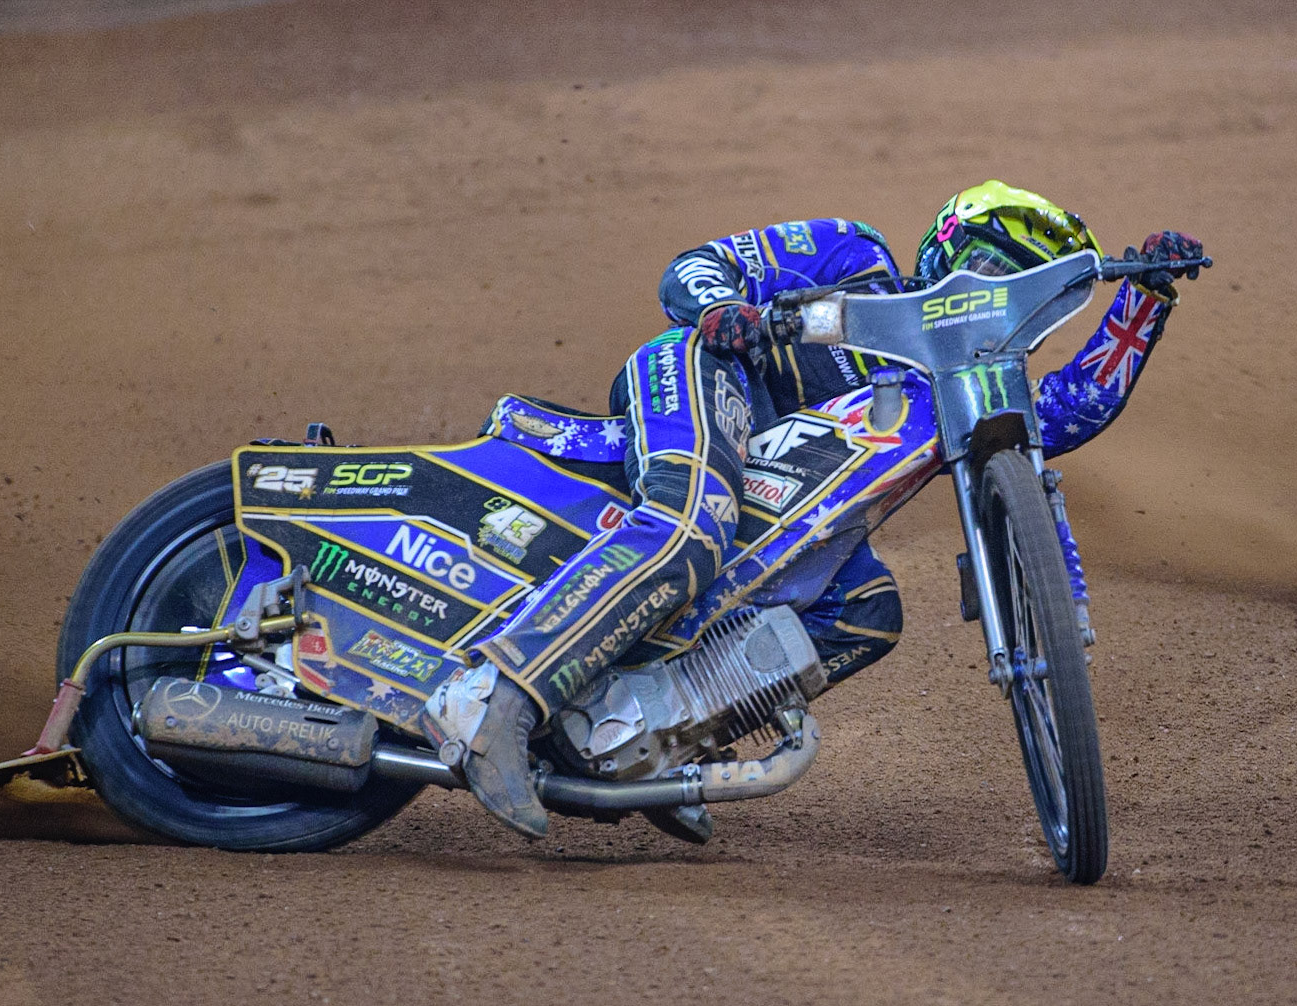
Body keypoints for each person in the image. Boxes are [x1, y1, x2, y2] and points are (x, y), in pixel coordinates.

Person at [424, 179, 1203, 838]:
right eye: (991, 263)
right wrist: (722, 309)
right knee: (697, 522)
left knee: (866, 608)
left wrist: (1144, 296)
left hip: (787, 508)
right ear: (944, 248)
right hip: (704, 379)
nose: (997, 294)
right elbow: (702, 265)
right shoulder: (853, 252)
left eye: (1030, 283)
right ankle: (501, 701)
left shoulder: (961, 397)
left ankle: (655, 744)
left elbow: (1068, 411)